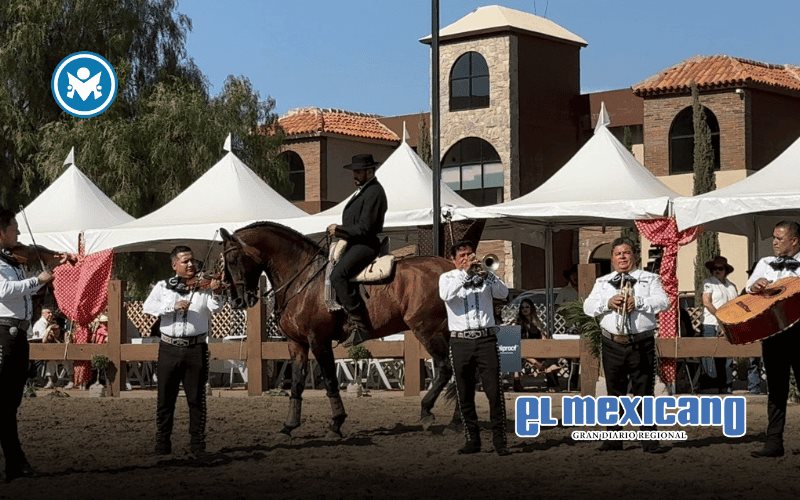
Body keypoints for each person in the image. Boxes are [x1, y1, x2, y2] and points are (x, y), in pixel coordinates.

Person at [0, 207, 71, 481]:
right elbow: (3, 291)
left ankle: (15, 462)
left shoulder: (12, 260)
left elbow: (28, 279)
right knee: (4, 401)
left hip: (18, 334)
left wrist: (54, 263)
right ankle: (16, 461)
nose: (18, 232)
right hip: (4, 333)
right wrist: (36, 280)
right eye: (14, 228)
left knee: (11, 402)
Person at [583, 237, 669, 453]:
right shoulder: (603, 282)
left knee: (644, 392)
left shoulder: (650, 279)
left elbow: (663, 302)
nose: (622, 257)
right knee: (614, 392)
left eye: (626, 252)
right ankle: (613, 439)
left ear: (635, 255)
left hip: (641, 343)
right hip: (612, 342)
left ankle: (649, 440)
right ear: (612, 258)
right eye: (618, 253)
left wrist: (638, 302)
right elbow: (588, 306)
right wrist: (607, 303)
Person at [143, 245, 223, 456]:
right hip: (168, 348)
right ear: (174, 265)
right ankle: (162, 442)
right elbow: (147, 307)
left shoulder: (203, 287)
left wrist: (216, 291)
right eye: (185, 261)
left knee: (196, 399)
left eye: (192, 260)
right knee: (165, 398)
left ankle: (197, 443)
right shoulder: (163, 286)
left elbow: (216, 308)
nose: (190, 265)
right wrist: (172, 307)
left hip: (195, 348)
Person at [439, 240, 510, 456]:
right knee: (464, 392)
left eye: (469, 254)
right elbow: (446, 295)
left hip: (486, 339)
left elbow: (503, 293)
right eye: (462, 256)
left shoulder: (486, 276)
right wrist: (466, 274)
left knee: (494, 391)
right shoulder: (448, 278)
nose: (467, 258)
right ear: (454, 260)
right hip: (460, 341)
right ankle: (472, 440)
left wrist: (488, 274)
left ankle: (500, 441)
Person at [746, 221, 800, 458]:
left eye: (779, 238)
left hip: (799, 332)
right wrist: (756, 285)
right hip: (774, 332)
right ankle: (774, 442)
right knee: (776, 389)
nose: (774, 243)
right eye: (774, 238)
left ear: (794, 241)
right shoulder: (765, 263)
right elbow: (749, 286)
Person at [326, 153, 388, 347]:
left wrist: (339, 230)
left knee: (338, 275)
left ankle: (361, 326)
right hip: (355, 243)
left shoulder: (374, 192)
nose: (355, 175)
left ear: (370, 171)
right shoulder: (363, 191)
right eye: (354, 171)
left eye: (359, 171)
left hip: (365, 244)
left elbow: (365, 227)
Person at [700, 256, 737, 394]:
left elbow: (735, 305)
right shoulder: (708, 283)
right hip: (711, 324)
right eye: (714, 268)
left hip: (728, 324)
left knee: (728, 356)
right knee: (711, 356)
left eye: (720, 268)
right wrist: (720, 318)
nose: (717, 271)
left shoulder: (731, 286)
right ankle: (711, 386)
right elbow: (706, 302)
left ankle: (726, 385)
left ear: (725, 270)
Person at [514, 298, 559, 392]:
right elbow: (518, 343)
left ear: (531, 308)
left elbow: (542, 337)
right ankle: (551, 380)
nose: (524, 309)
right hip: (523, 351)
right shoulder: (519, 323)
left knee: (551, 352)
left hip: (537, 349)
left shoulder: (536, 322)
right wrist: (534, 361)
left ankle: (550, 374)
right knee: (546, 361)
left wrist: (546, 344)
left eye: (527, 307)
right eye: (522, 307)